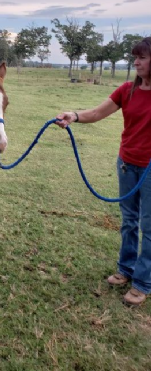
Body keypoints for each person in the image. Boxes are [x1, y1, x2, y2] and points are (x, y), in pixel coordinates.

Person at [56, 37, 151, 307]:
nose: (136, 62)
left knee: (149, 225)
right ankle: (126, 268)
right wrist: (73, 115)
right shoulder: (127, 90)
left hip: (150, 167)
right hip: (126, 163)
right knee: (129, 220)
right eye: (135, 57)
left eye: (142, 57)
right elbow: (97, 113)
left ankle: (143, 283)